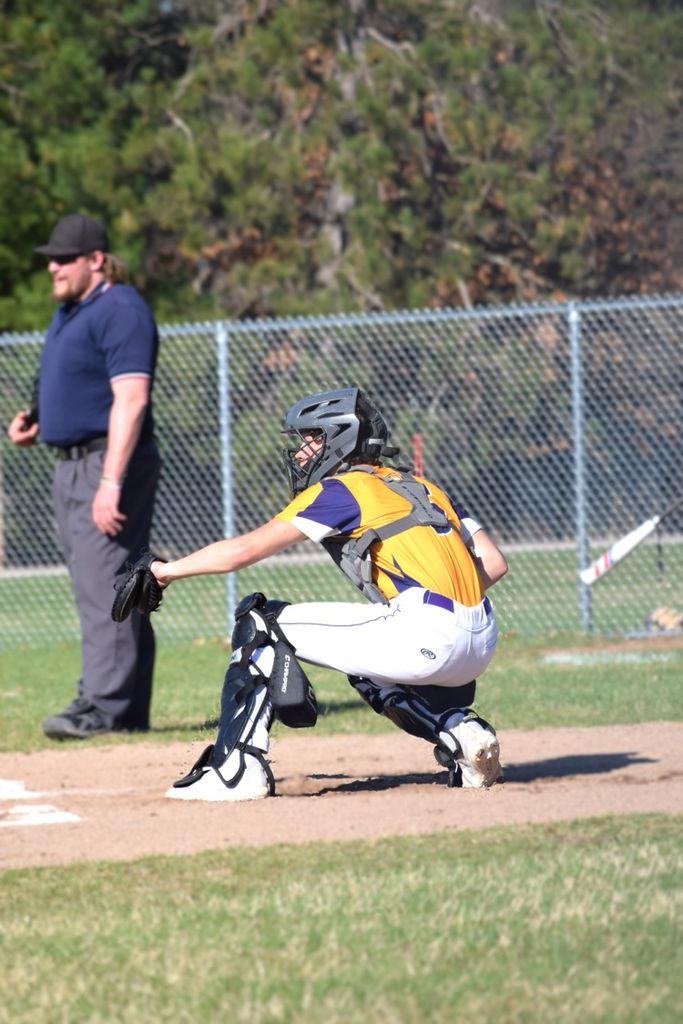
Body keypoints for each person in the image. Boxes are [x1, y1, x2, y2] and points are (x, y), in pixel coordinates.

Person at [150, 386, 508, 801]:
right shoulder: (426, 487)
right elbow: (495, 562)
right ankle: (457, 729)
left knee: (261, 622)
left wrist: (165, 571)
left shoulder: (342, 489)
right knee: (364, 666)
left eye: (311, 439)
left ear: (341, 439)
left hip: (426, 633)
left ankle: (235, 770)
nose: (302, 452)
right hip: (480, 639)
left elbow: (245, 550)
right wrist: (446, 610)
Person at [7, 213, 161, 739]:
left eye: (63, 258)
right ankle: (124, 705)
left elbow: (131, 398)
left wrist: (111, 481)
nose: (52, 266)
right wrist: (38, 420)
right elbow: (77, 382)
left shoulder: (121, 308)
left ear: (95, 260)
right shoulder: (72, 311)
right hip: (72, 462)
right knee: (104, 586)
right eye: (50, 258)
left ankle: (103, 705)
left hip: (107, 462)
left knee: (106, 585)